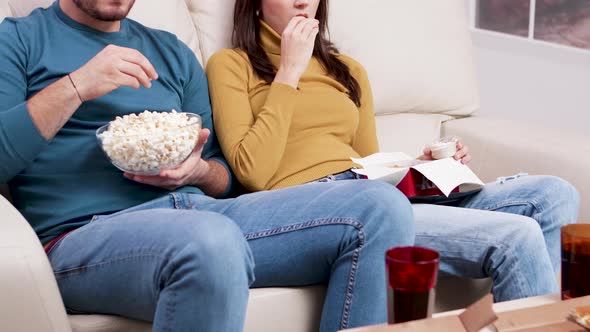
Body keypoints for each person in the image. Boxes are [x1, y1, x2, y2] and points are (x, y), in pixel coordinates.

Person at [0, 1, 416, 331]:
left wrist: (196, 172)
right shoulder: (19, 40)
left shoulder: (172, 52)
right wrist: (77, 85)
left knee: (379, 207)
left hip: (198, 211)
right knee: (210, 240)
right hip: (82, 235)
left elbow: (225, 176)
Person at [206, 0, 581, 305]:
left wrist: (424, 168)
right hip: (321, 203)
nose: (303, 2)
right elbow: (251, 171)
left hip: (374, 192)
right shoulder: (231, 66)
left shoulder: (347, 70)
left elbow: (372, 163)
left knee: (552, 194)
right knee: (518, 238)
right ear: (255, 5)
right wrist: (289, 70)